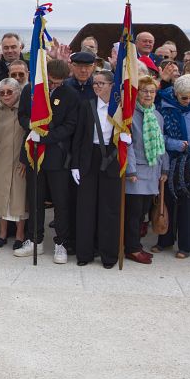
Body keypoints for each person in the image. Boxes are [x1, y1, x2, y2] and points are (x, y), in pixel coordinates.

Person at [16, 58, 79, 263]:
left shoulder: (70, 94)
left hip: (57, 155)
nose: (54, 86)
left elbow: (69, 126)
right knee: (35, 198)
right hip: (33, 153)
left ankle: (61, 243)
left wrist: (44, 136)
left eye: (59, 82)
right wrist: (32, 127)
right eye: (51, 81)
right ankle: (35, 240)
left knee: (61, 201)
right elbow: (22, 115)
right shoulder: (31, 91)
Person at [154, 75, 190, 259]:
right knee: (168, 200)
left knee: (189, 202)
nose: (188, 101)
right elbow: (158, 135)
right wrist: (176, 145)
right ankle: (165, 240)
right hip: (169, 157)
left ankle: (186, 245)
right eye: (184, 98)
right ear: (175, 93)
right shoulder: (164, 102)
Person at [71, 70, 121, 267]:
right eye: (95, 83)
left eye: (102, 83)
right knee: (86, 207)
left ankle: (108, 254)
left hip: (112, 157)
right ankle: (85, 253)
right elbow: (78, 136)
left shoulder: (119, 108)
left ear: (111, 85)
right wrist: (75, 164)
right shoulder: (87, 105)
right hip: (88, 157)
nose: (97, 86)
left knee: (109, 208)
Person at [123, 77, 170, 265]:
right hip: (136, 172)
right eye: (144, 91)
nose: (148, 95)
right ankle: (132, 248)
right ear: (137, 93)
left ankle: (136, 245)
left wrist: (164, 167)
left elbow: (161, 143)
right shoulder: (130, 115)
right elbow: (129, 146)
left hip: (153, 171)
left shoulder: (157, 116)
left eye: (152, 91)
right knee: (133, 213)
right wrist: (131, 170)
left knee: (143, 212)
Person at [0, 77, 28, 250]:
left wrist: (27, 160)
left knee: (20, 199)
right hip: (0, 159)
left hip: (20, 161)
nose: (5, 95)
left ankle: (20, 235)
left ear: (18, 92)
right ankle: (3, 233)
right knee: (0, 198)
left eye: (9, 92)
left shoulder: (25, 109)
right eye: (2, 92)